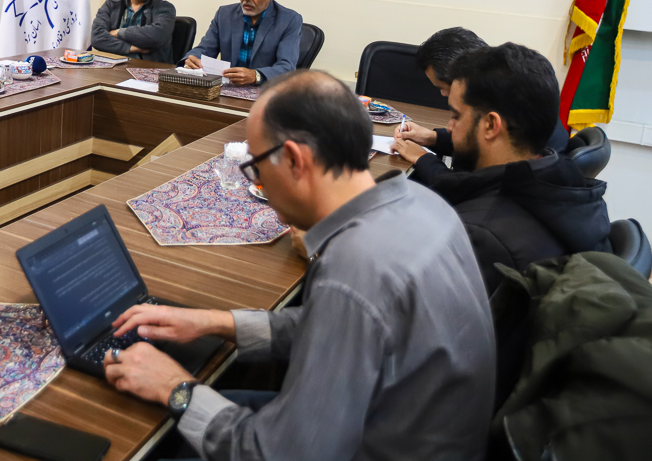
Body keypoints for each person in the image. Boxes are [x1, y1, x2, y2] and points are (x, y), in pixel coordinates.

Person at [103, 71, 496, 461]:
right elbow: (338, 327)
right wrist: (215, 322)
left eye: (257, 168)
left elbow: (277, 453)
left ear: (293, 159)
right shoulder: (424, 203)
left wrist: (175, 387)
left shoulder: (353, 267)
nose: (258, 182)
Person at [392, 44, 611, 295]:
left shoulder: (481, 235)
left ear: (490, 125)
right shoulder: (567, 184)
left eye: (456, 116)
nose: (449, 127)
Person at [402, 28, 568, 185]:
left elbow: (464, 187)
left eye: (456, 117)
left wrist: (423, 158)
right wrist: (433, 137)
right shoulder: (518, 96)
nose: (443, 94)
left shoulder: (516, 161)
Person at [183, 0, 301, 86]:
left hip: (265, 90)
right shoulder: (224, 14)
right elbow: (204, 49)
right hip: (227, 88)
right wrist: (191, 59)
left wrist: (256, 75)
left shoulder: (289, 20)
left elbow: (287, 67)